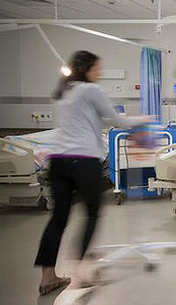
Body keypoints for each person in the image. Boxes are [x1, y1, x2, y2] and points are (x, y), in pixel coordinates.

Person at [35, 50, 149, 295]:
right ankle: (83, 271)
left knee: (58, 219)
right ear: (87, 69)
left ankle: (47, 277)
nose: (100, 73)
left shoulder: (62, 92)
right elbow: (118, 121)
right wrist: (143, 119)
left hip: (58, 161)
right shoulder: (91, 90)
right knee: (93, 213)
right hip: (84, 160)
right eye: (97, 69)